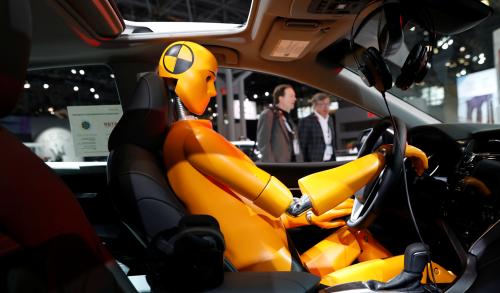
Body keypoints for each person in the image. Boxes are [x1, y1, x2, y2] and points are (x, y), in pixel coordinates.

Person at [159, 41, 430, 285]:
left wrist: (309, 216)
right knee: (426, 268)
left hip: (271, 261)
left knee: (356, 235)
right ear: (184, 77)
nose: (213, 91)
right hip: (282, 277)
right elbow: (290, 202)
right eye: (208, 79)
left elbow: (248, 204)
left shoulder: (177, 140)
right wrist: (381, 157)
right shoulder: (195, 137)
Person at [256, 84, 301, 162]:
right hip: (279, 167)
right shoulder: (268, 114)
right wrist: (273, 166)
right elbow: (263, 144)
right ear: (281, 98)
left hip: (293, 165)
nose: (295, 99)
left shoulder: (288, 118)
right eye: (291, 96)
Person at [299, 92, 336, 162]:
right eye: (322, 104)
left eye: (327, 104)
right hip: (315, 162)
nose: (326, 107)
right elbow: (303, 146)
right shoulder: (306, 121)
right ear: (314, 106)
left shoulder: (330, 120)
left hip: (330, 160)